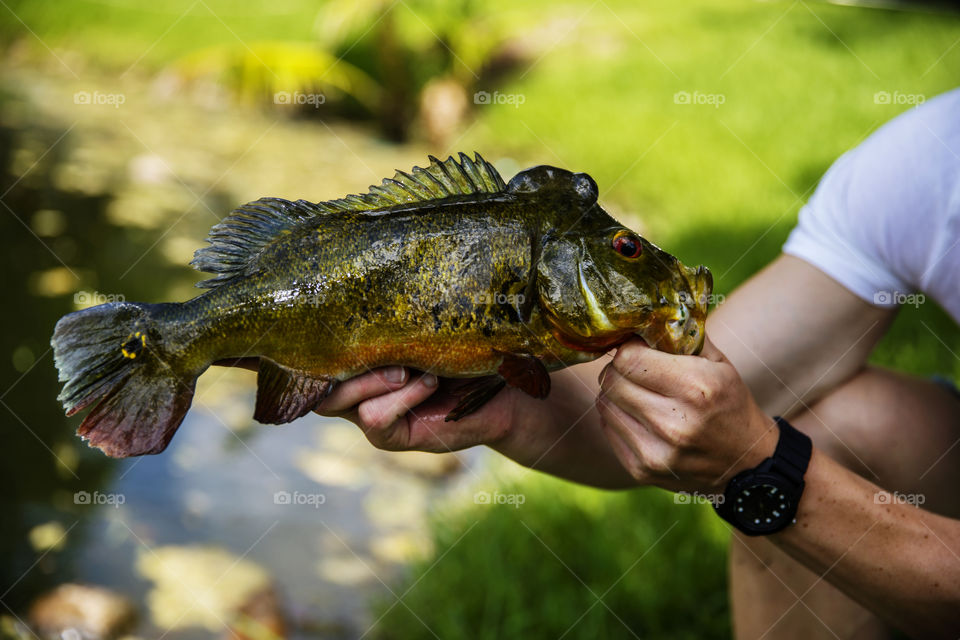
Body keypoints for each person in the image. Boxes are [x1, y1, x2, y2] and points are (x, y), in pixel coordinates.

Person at [313, 89, 960, 638]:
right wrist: (500, 405)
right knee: (836, 423)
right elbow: (665, 415)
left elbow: (749, 452)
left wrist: (767, 473)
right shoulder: (922, 163)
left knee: (794, 448)